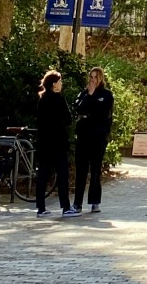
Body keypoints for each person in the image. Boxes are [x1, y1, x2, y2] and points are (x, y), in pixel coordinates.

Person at [35, 70, 78, 218]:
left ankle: (41, 207)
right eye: (60, 81)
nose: (61, 83)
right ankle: (65, 207)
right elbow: (68, 119)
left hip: (44, 142)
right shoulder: (59, 99)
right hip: (58, 142)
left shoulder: (42, 100)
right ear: (54, 84)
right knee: (62, 175)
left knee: (43, 175)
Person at [73, 67, 115, 213]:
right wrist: (89, 97)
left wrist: (90, 112)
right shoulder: (84, 93)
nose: (93, 80)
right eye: (91, 77)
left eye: (96, 77)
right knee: (81, 169)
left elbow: (104, 113)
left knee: (96, 169)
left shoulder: (107, 94)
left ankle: (95, 201)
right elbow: (79, 109)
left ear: (100, 78)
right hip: (84, 136)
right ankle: (77, 203)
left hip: (98, 137)